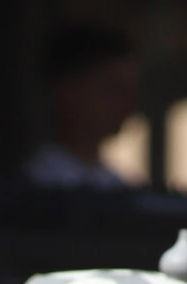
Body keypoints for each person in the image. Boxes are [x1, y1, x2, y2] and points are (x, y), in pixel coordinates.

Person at [22, 24, 141, 190]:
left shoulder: (116, 186)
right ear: (67, 91)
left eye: (129, 91)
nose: (126, 102)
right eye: (111, 88)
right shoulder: (34, 186)